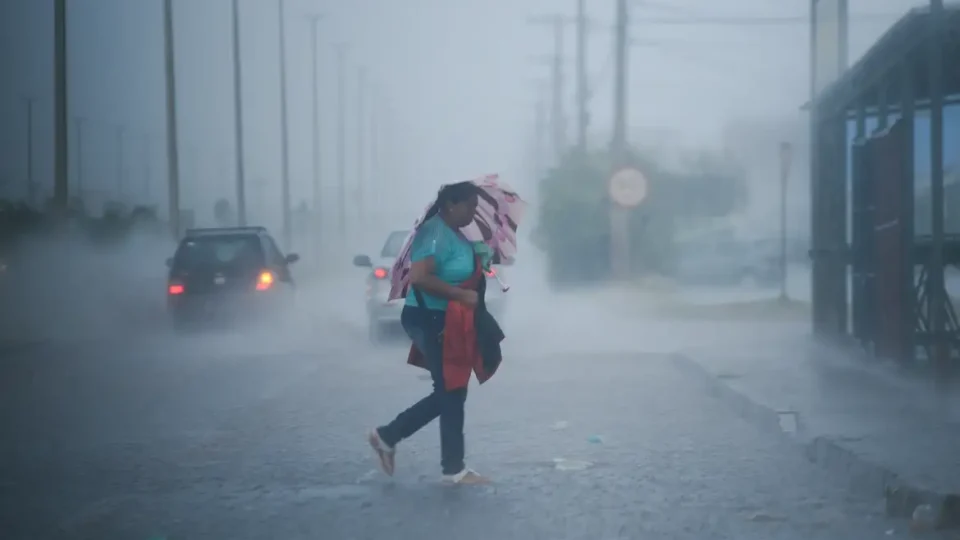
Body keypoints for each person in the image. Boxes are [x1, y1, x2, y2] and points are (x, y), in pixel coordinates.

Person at [368, 181, 488, 485]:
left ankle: (388, 436)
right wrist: (461, 296)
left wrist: (481, 259)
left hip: (446, 318)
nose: (474, 212)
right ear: (451, 204)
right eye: (471, 206)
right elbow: (420, 278)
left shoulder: (455, 234)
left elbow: (456, 270)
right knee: (451, 389)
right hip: (428, 318)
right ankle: (452, 469)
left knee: (451, 389)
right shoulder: (433, 232)